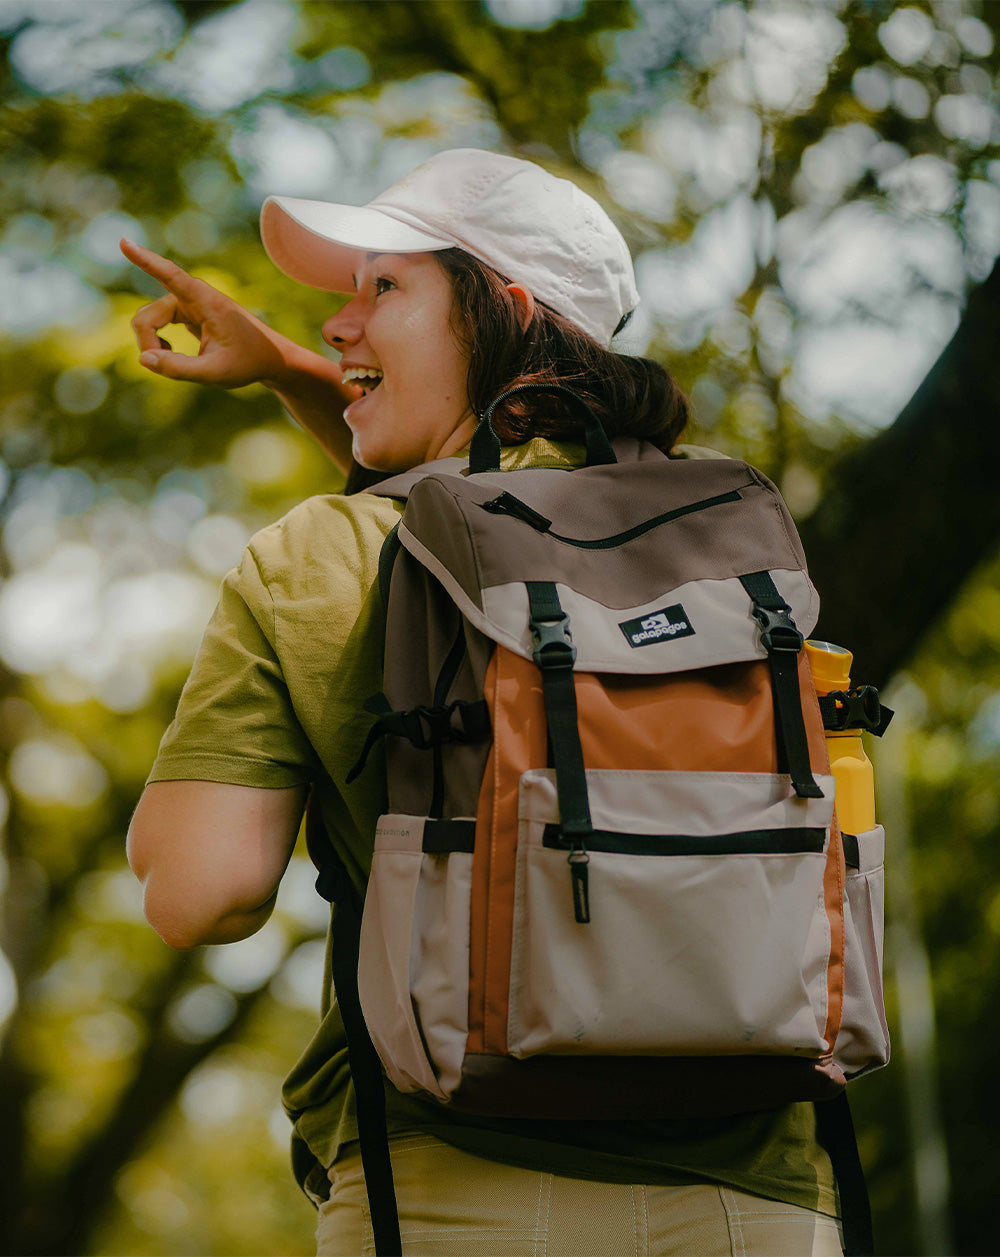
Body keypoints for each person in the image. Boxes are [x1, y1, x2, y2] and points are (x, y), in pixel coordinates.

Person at [124, 149, 844, 1256]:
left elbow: (201, 896)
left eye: (383, 288)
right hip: (762, 1198)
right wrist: (278, 365)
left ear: (502, 311)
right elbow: (494, 509)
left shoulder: (319, 556)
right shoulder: (723, 541)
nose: (336, 326)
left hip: (454, 1185)